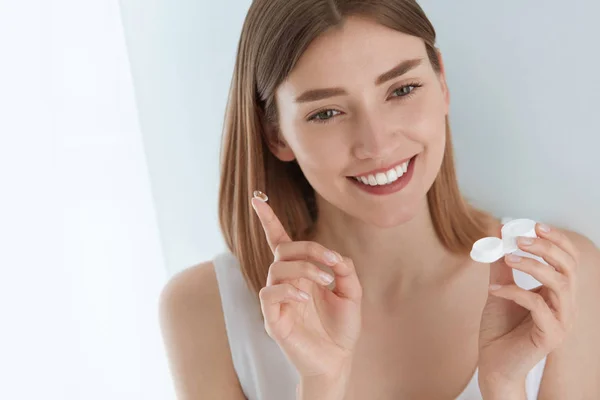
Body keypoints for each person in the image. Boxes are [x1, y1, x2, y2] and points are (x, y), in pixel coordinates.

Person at [158, 0, 600, 399]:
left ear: (441, 82)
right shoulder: (206, 310)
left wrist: (504, 387)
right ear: (276, 134)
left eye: (401, 89)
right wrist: (321, 384)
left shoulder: (557, 277)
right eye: (326, 112)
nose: (376, 144)